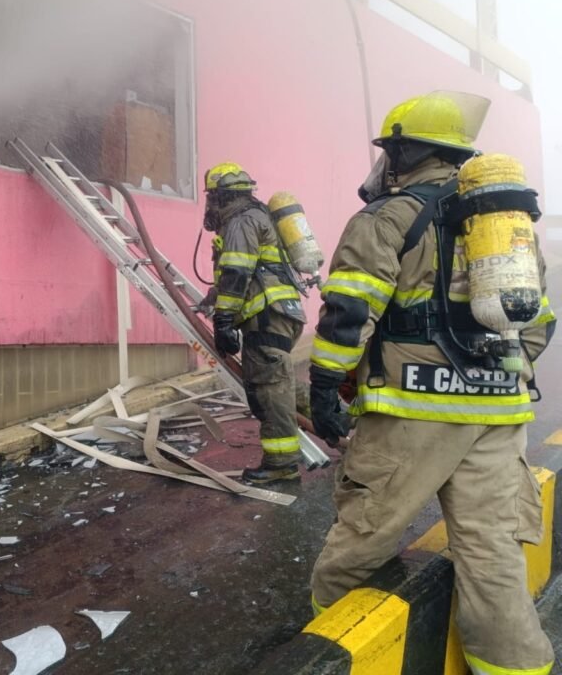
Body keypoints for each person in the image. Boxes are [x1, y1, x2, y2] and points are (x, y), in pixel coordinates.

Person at [309, 91, 557, 675]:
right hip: (499, 418)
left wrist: (325, 384)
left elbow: (348, 311)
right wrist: (495, 379)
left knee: (360, 541)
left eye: (391, 151)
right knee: (492, 555)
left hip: (411, 415)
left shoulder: (389, 217)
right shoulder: (506, 229)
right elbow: (537, 323)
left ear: (406, 151)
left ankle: (328, 655)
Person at [202, 162, 307, 482]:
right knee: (281, 381)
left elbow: (237, 271)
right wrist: (213, 297)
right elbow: (247, 271)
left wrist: (223, 320)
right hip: (280, 313)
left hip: (266, 317)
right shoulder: (257, 217)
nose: (208, 204)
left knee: (269, 390)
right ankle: (341, 422)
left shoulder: (240, 222)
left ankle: (282, 463)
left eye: (211, 197)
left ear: (220, 197)